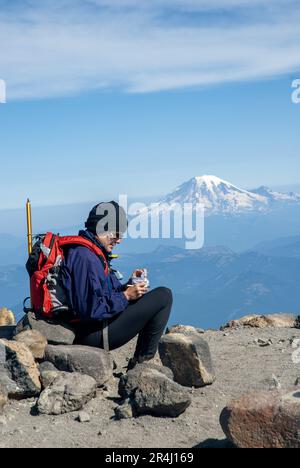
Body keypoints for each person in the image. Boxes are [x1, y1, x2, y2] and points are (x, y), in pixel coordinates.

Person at [60, 201, 173, 369]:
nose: (119, 240)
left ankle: (142, 363)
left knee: (161, 296)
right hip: (93, 335)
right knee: (163, 296)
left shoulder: (90, 251)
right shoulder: (85, 258)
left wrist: (128, 285)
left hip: (91, 329)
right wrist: (127, 296)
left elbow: (101, 294)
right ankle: (143, 365)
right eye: (117, 233)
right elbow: (91, 310)